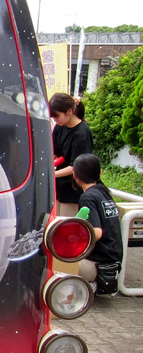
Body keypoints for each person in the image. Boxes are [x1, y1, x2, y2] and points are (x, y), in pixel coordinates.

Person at [73, 154, 123, 294]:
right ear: (100, 173)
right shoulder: (103, 192)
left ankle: (85, 288)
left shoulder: (87, 197)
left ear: (75, 175)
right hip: (114, 262)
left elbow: (96, 232)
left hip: (100, 266)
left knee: (57, 262)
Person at [50, 93, 93, 216]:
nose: (55, 120)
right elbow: (53, 151)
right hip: (59, 187)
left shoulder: (82, 134)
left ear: (69, 111)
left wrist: (52, 174)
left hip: (73, 189)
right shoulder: (60, 127)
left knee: (66, 222)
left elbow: (77, 166)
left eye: (57, 116)